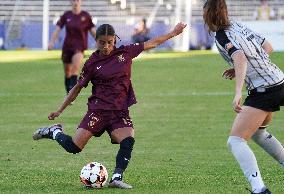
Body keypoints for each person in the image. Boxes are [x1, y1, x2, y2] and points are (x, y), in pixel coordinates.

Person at [33, 22, 187, 189]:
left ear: (115, 40)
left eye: (110, 42)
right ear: (96, 41)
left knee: (128, 140)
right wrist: (59, 110)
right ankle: (54, 131)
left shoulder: (125, 52)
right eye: (102, 42)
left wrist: (173, 32)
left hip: (119, 111)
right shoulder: (92, 62)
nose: (106, 46)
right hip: (98, 111)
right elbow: (76, 88)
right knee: (74, 147)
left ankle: (116, 177)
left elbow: (151, 43)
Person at [203, 0, 284, 194]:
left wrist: (238, 91)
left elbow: (240, 57)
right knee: (258, 133)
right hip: (279, 80)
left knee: (236, 141)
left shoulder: (221, 36)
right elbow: (268, 47)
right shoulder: (237, 24)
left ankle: (259, 189)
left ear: (207, 16)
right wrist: (239, 69)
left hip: (264, 90)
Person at [48, 0, 96, 95]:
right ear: (70, 2)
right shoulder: (66, 15)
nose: (75, 2)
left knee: (75, 69)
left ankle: (72, 95)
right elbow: (57, 29)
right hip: (67, 47)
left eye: (77, 0)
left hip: (79, 48)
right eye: (73, 0)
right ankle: (68, 91)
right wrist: (51, 42)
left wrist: (101, 43)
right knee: (67, 72)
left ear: (81, 2)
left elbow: (93, 31)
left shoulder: (86, 16)